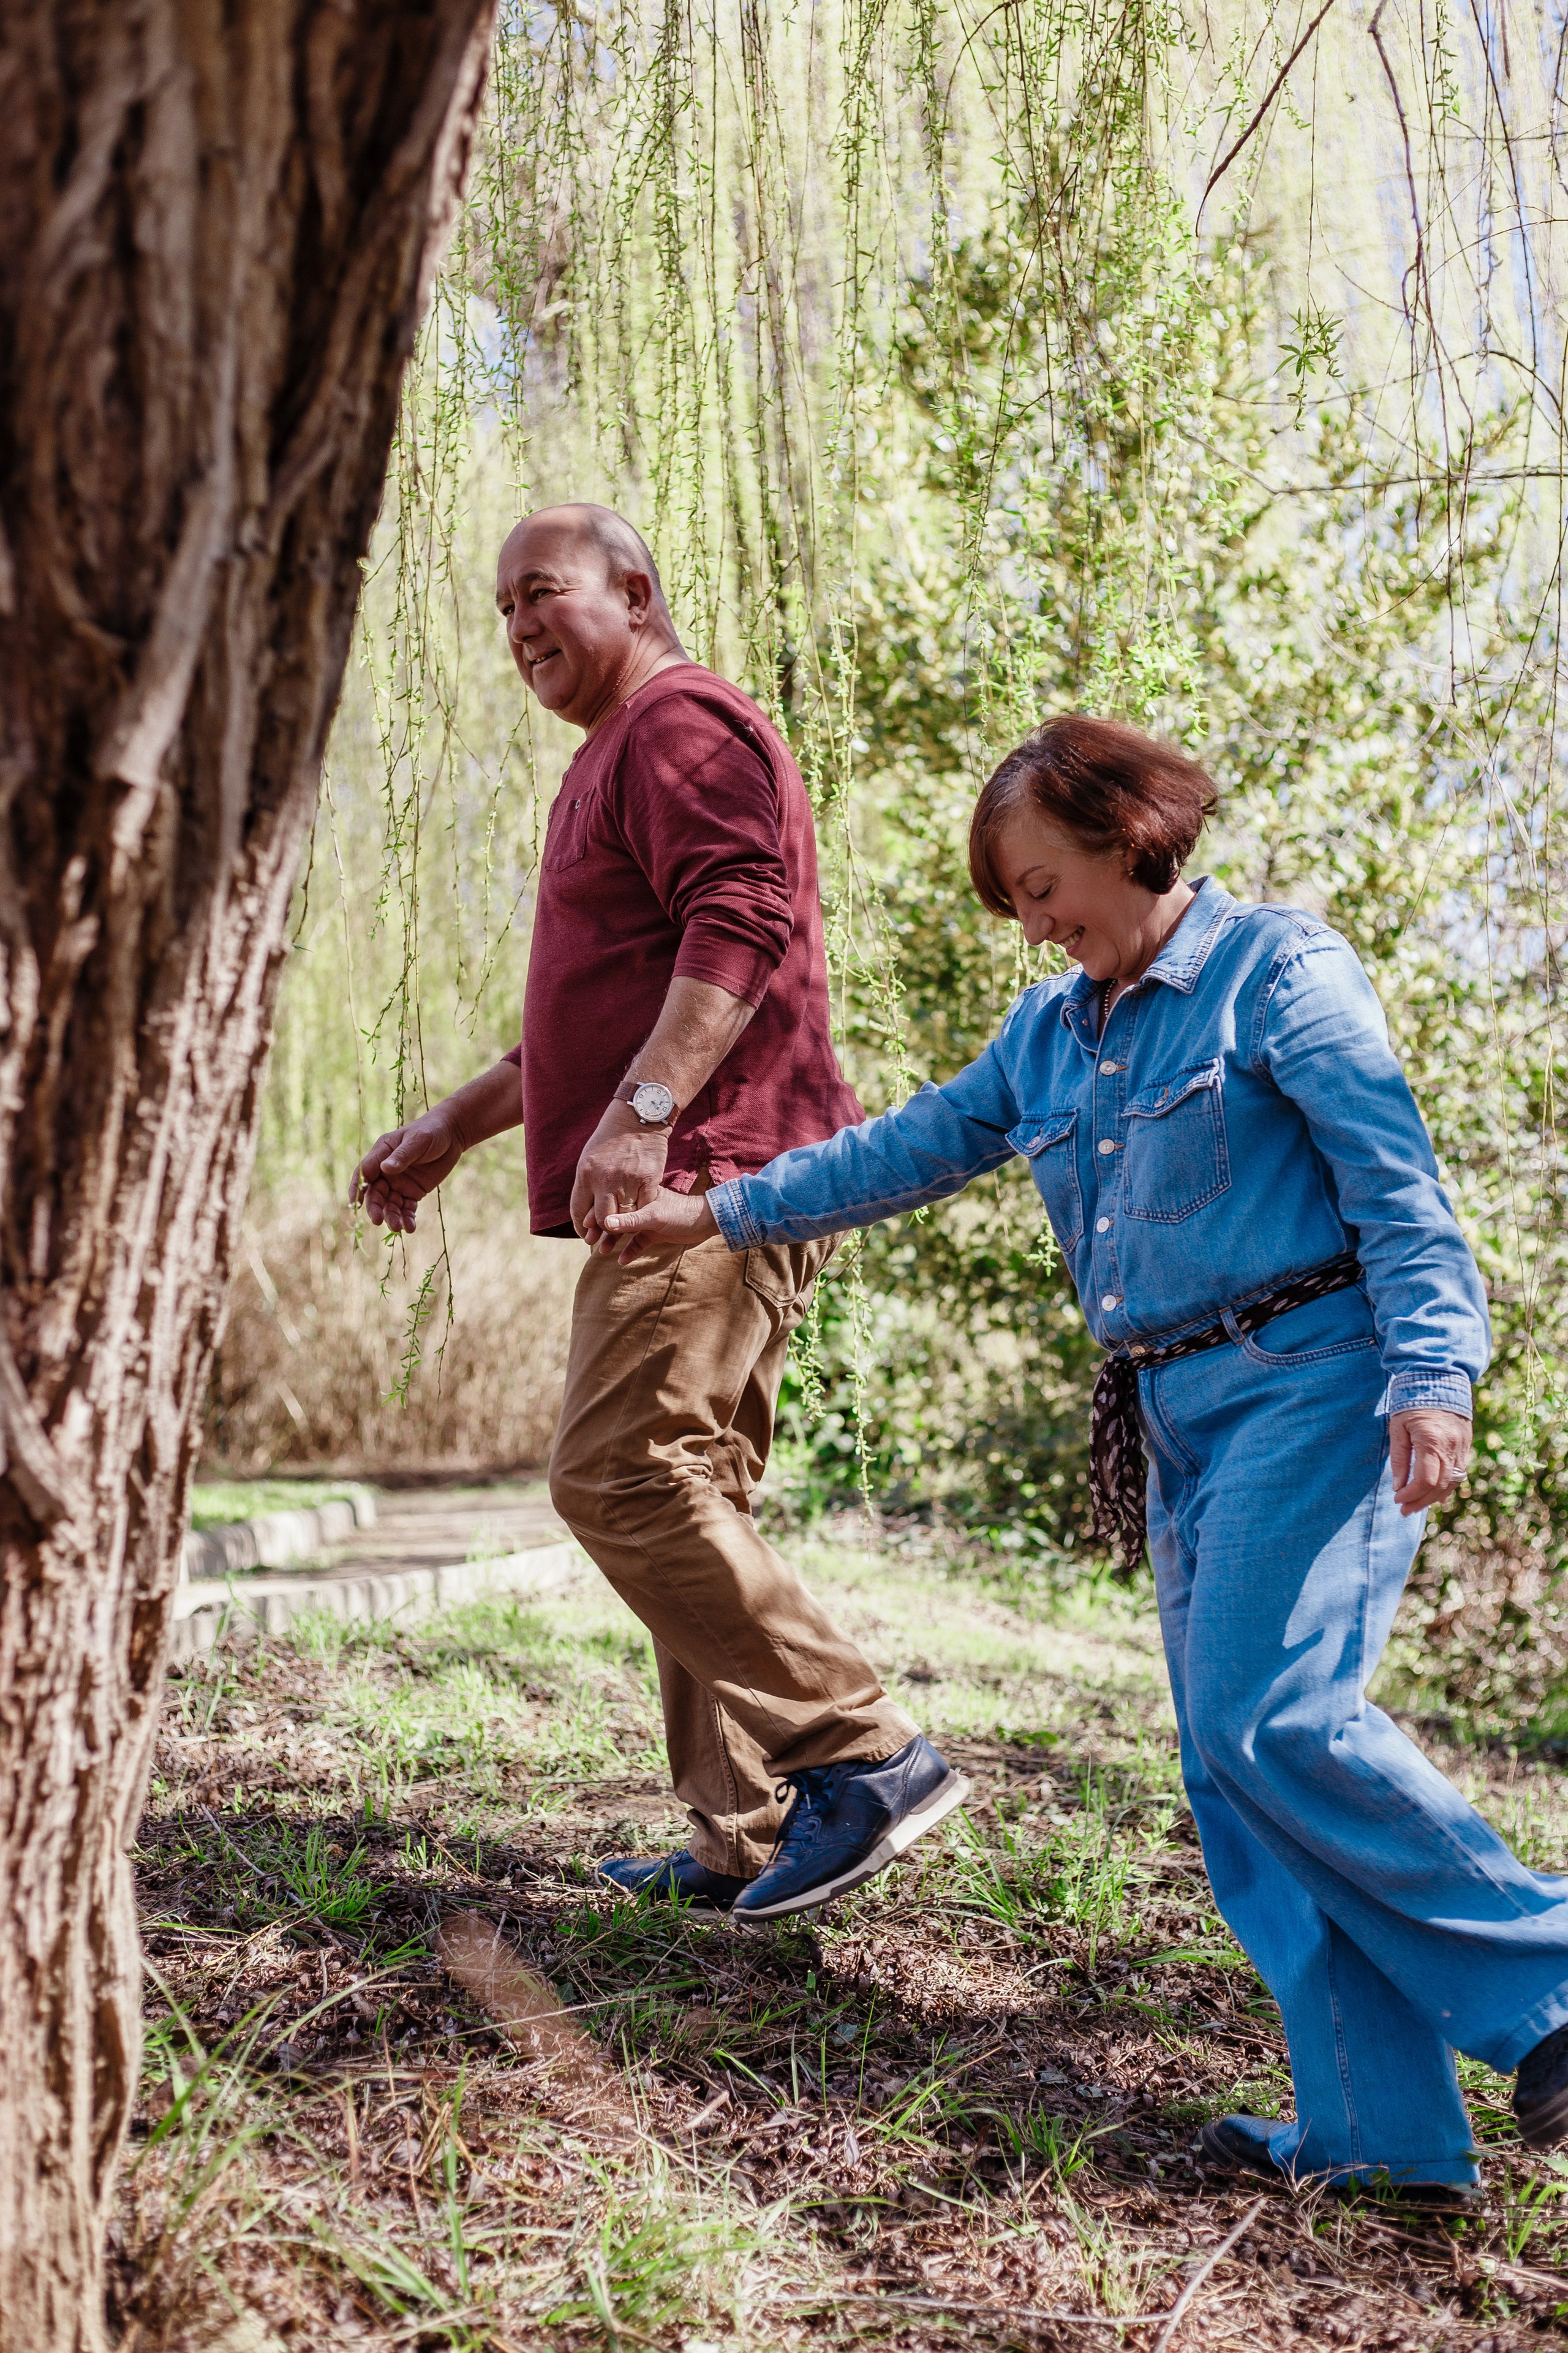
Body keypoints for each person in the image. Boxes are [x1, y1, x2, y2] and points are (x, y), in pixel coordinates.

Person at [599, 711, 1568, 2199]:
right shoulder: (1050, 1035)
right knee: (1235, 1773)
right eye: (1016, 902)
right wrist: (719, 1212)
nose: (1033, 922)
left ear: (1130, 835)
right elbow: (904, 1147)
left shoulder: (1277, 973)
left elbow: (1395, 1181)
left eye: (1043, 885)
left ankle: (1547, 1981)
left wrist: (1432, 1373)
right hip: (1173, 1411)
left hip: (1314, 1383)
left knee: (1275, 1720)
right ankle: (1378, 2135)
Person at [349, 502, 967, 1923]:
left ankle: (861, 1753)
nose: (516, 629)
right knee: (690, 1487)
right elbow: (582, 1025)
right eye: (501, 608)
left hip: (705, 1180)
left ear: (632, 591)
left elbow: (741, 917)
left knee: (619, 1475)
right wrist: (452, 1127)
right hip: (692, 1170)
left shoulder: (679, 723)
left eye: (541, 594)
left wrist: (643, 1119)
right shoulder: (611, 758)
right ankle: (739, 1827)